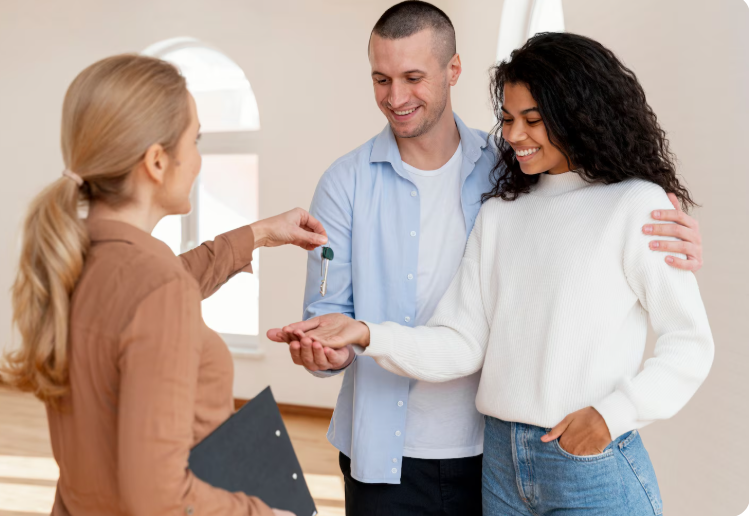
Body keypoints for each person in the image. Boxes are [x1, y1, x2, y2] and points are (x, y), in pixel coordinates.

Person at [268, 3, 706, 515]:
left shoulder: (610, 198)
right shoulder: (502, 205)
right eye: (507, 119)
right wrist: (363, 333)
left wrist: (613, 416)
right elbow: (462, 340)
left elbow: (687, 340)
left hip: (569, 459)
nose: (515, 135)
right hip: (489, 461)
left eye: (533, 120)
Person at [0, 54, 326, 516]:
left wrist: (261, 233)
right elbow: (160, 498)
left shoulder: (77, 258)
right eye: (195, 140)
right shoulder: (153, 286)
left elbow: (167, 281)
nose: (197, 159)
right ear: (156, 160)